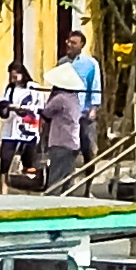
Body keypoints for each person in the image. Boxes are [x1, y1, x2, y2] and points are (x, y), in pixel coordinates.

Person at [46, 26, 102, 184]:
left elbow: (95, 86)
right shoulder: (62, 63)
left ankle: (88, 186)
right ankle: (65, 183)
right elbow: (56, 87)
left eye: (74, 43)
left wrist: (93, 108)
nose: (69, 45)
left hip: (83, 112)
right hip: (65, 114)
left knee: (88, 150)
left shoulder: (90, 64)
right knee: (65, 149)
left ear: (81, 45)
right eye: (68, 42)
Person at [0, 60, 44, 187]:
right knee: (5, 160)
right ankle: (3, 190)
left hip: (28, 129)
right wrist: (5, 107)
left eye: (16, 75)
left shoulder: (33, 88)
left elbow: (38, 108)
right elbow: (4, 111)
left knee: (29, 161)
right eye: (11, 76)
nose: (14, 78)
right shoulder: (9, 90)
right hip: (10, 130)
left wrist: (22, 109)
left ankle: (30, 187)